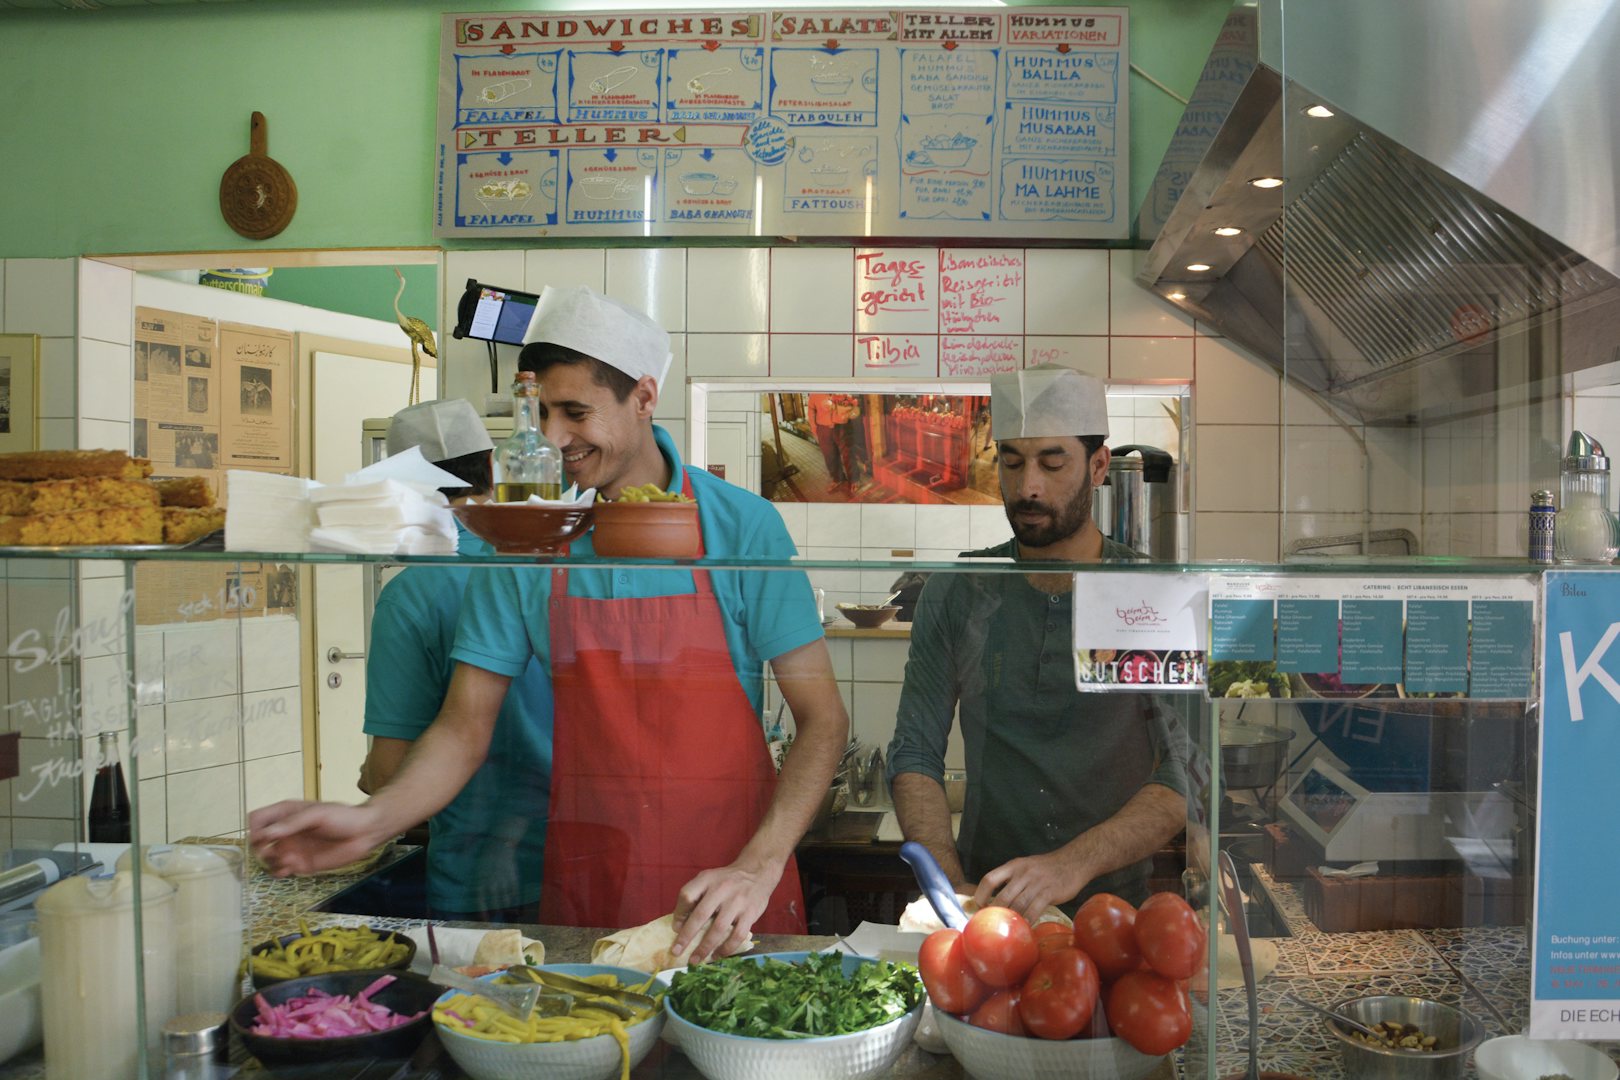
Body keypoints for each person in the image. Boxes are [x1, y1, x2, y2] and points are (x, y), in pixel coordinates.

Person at [251, 286, 847, 962]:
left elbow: (822, 718)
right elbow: (463, 725)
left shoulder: (741, 527)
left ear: (645, 399)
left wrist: (759, 866)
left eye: (575, 412)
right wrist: (371, 822)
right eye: (540, 413)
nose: (555, 437)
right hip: (590, 888)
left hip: (732, 889)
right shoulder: (533, 541)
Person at [885, 364, 1192, 918]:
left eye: (1053, 463)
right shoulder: (959, 593)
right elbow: (915, 752)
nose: (1028, 486)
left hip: (1115, 916)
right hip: (988, 904)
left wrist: (1072, 864)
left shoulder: (1150, 596)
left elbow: (1183, 772)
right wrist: (954, 895)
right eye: (1011, 462)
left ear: (1099, 466)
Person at [357, 398, 551, 922]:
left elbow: (389, 774)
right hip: (575, 855)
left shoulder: (410, 595)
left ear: (400, 488)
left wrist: (369, 780)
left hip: (476, 872)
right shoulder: (541, 560)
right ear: (491, 467)